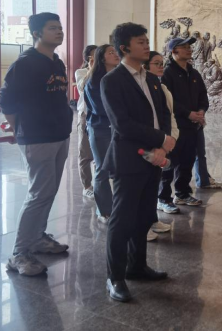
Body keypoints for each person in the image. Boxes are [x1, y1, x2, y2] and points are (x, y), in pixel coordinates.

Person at [101, 22, 176, 303]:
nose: (147, 45)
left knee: (145, 216)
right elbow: (122, 124)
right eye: (140, 42)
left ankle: (137, 266)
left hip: (153, 157)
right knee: (122, 220)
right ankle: (115, 277)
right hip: (129, 159)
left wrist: (162, 145)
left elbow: (163, 114)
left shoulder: (152, 79)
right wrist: (159, 140)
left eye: (146, 41)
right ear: (124, 48)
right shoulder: (112, 80)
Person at [0, 12, 73, 276]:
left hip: (59, 133)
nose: (59, 32)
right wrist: (19, 128)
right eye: (52, 28)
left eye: (60, 27)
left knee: (48, 191)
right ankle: (19, 254)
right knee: (39, 194)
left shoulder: (57, 62)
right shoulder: (25, 63)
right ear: (36, 33)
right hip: (37, 136)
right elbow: (6, 100)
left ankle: (38, 238)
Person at [160, 37, 210, 211]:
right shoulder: (167, 73)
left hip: (192, 126)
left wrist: (201, 111)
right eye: (185, 47)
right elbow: (168, 100)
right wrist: (188, 113)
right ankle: (163, 198)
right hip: (175, 126)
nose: (189, 49)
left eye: (190, 47)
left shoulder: (194, 73)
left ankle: (182, 193)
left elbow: (203, 95)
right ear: (174, 51)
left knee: (187, 161)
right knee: (169, 163)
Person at [84, 45, 120, 224]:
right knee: (102, 170)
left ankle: (117, 207)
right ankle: (104, 211)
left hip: (118, 128)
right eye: (111, 52)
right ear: (102, 58)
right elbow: (100, 108)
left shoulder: (119, 78)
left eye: (116, 51)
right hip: (100, 129)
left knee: (119, 169)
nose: (115, 54)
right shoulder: (93, 81)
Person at [144, 51, 179, 234]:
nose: (160, 66)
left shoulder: (161, 87)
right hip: (149, 141)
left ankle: (152, 219)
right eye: (156, 63)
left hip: (164, 140)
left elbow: (168, 115)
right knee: (143, 187)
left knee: (155, 183)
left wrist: (169, 139)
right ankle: (143, 226)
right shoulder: (142, 86)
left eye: (161, 63)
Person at [75, 44, 97, 200]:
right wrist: (92, 68)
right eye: (95, 55)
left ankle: (99, 183)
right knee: (85, 152)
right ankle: (87, 186)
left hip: (101, 116)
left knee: (99, 152)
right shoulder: (81, 72)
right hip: (85, 114)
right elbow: (82, 88)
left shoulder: (106, 73)